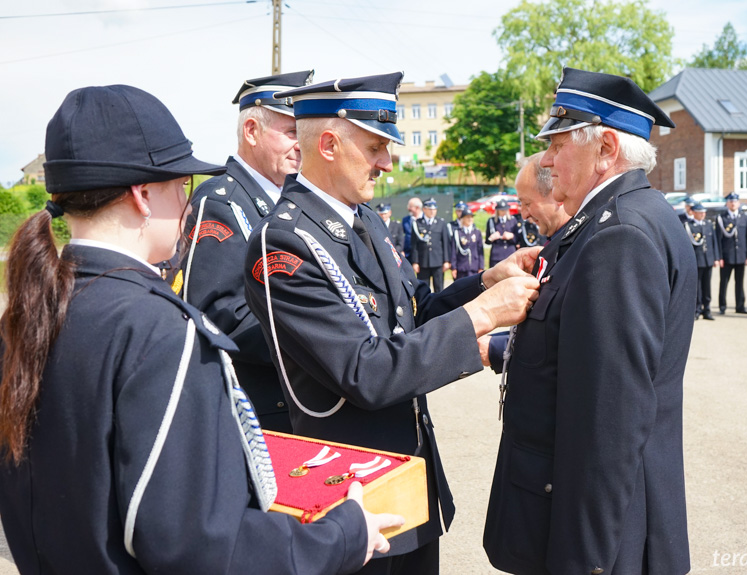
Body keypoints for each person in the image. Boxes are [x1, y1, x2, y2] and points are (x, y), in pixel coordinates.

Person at [0, 84, 400, 574]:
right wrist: (343, 535)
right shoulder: (159, 331)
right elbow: (200, 545)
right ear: (143, 196)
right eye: (180, 184)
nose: (187, 200)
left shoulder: (27, 315)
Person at [242, 72, 540, 575]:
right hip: (349, 499)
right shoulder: (284, 244)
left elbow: (414, 314)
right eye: (377, 146)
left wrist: (485, 283)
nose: (387, 162)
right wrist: (485, 314)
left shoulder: (368, 220)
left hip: (410, 483)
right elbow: (366, 371)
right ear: (331, 144)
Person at [483, 67, 694, 575]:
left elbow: (611, 424)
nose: (548, 160)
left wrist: (588, 561)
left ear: (606, 150)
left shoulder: (619, 236)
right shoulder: (616, 217)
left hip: (601, 536)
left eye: (557, 145)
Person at [177, 71, 314, 433]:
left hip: (300, 402)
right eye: (290, 132)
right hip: (261, 412)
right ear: (251, 131)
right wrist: (318, 341)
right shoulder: (221, 202)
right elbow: (218, 315)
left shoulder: (296, 202)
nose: (302, 144)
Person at [485, 151, 572, 374]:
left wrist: (496, 348)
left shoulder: (578, 248)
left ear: (556, 192)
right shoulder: (555, 243)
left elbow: (566, 337)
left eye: (527, 203)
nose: (523, 215)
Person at [715, 192, 747, 314]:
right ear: (727, 203)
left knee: (740, 283)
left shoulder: (744, 217)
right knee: (724, 282)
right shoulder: (721, 218)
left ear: (739, 203)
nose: (733, 203)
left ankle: (740, 306)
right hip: (726, 256)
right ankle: (722, 306)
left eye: (735, 201)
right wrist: (719, 257)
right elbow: (718, 239)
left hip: (741, 255)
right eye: (731, 201)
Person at [687, 202, 719, 320]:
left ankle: (707, 310)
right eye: (700, 212)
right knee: (697, 286)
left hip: (708, 260)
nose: (702, 215)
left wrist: (716, 258)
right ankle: (697, 309)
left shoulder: (708, 224)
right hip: (697, 260)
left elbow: (714, 242)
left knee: (707, 286)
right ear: (693, 213)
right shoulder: (689, 226)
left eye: (704, 212)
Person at [410, 198, 450, 292]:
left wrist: (446, 260)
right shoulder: (417, 223)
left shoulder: (441, 223)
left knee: (439, 288)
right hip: (423, 261)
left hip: (438, 261)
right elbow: (414, 245)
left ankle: (439, 306)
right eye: (430, 209)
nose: (432, 211)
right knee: (423, 288)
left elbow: (445, 243)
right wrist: (415, 262)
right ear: (424, 209)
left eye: (434, 209)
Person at [450, 207, 484, 279]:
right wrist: (453, 267)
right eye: (467, 217)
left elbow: (480, 251)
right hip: (461, 268)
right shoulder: (457, 233)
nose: (470, 219)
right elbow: (453, 251)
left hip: (474, 267)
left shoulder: (477, 232)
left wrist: (481, 267)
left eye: (471, 217)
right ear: (462, 219)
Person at [486, 199, 520, 267]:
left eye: (505, 210)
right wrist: (491, 238)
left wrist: (512, 236)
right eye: (501, 210)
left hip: (510, 253)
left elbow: (518, 239)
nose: (503, 212)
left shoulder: (512, 220)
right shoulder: (491, 221)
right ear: (497, 211)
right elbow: (487, 241)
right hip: (496, 255)